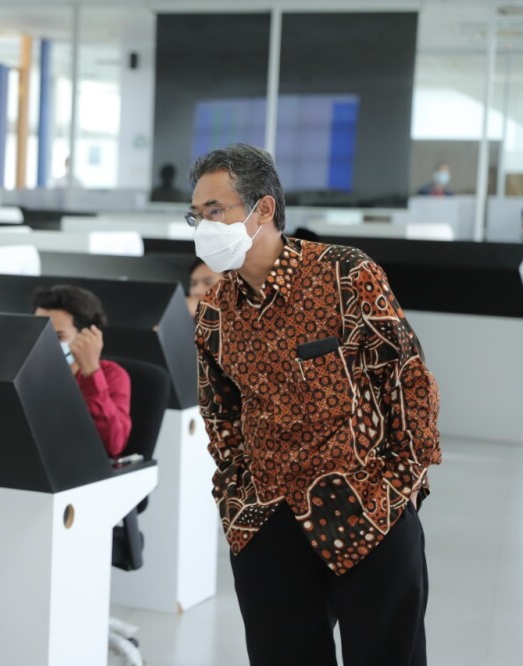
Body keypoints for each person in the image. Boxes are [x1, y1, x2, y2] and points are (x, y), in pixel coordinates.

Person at [189, 143, 440, 666]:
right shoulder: (214, 310)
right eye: (197, 215)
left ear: (263, 209)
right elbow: (220, 417)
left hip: (367, 509)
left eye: (216, 211)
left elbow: (409, 381)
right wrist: (237, 503)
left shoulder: (344, 275)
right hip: (266, 522)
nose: (203, 225)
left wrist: (400, 488)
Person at [32, 285, 132, 458]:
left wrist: (91, 372)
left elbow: (114, 444)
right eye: (38, 333)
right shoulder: (27, 372)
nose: (44, 343)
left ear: (87, 336)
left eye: (58, 337)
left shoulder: (113, 375)